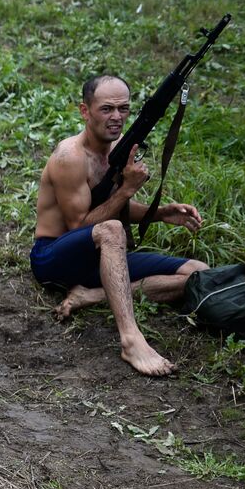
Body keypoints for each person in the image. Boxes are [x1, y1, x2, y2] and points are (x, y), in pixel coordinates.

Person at [33, 74, 206, 377]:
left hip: (101, 258)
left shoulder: (115, 151)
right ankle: (131, 340)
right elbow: (80, 226)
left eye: (123, 109)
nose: (116, 117)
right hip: (53, 259)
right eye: (106, 109)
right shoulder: (69, 157)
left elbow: (103, 209)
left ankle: (93, 294)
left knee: (198, 273)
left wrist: (162, 213)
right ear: (85, 111)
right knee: (112, 229)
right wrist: (127, 189)